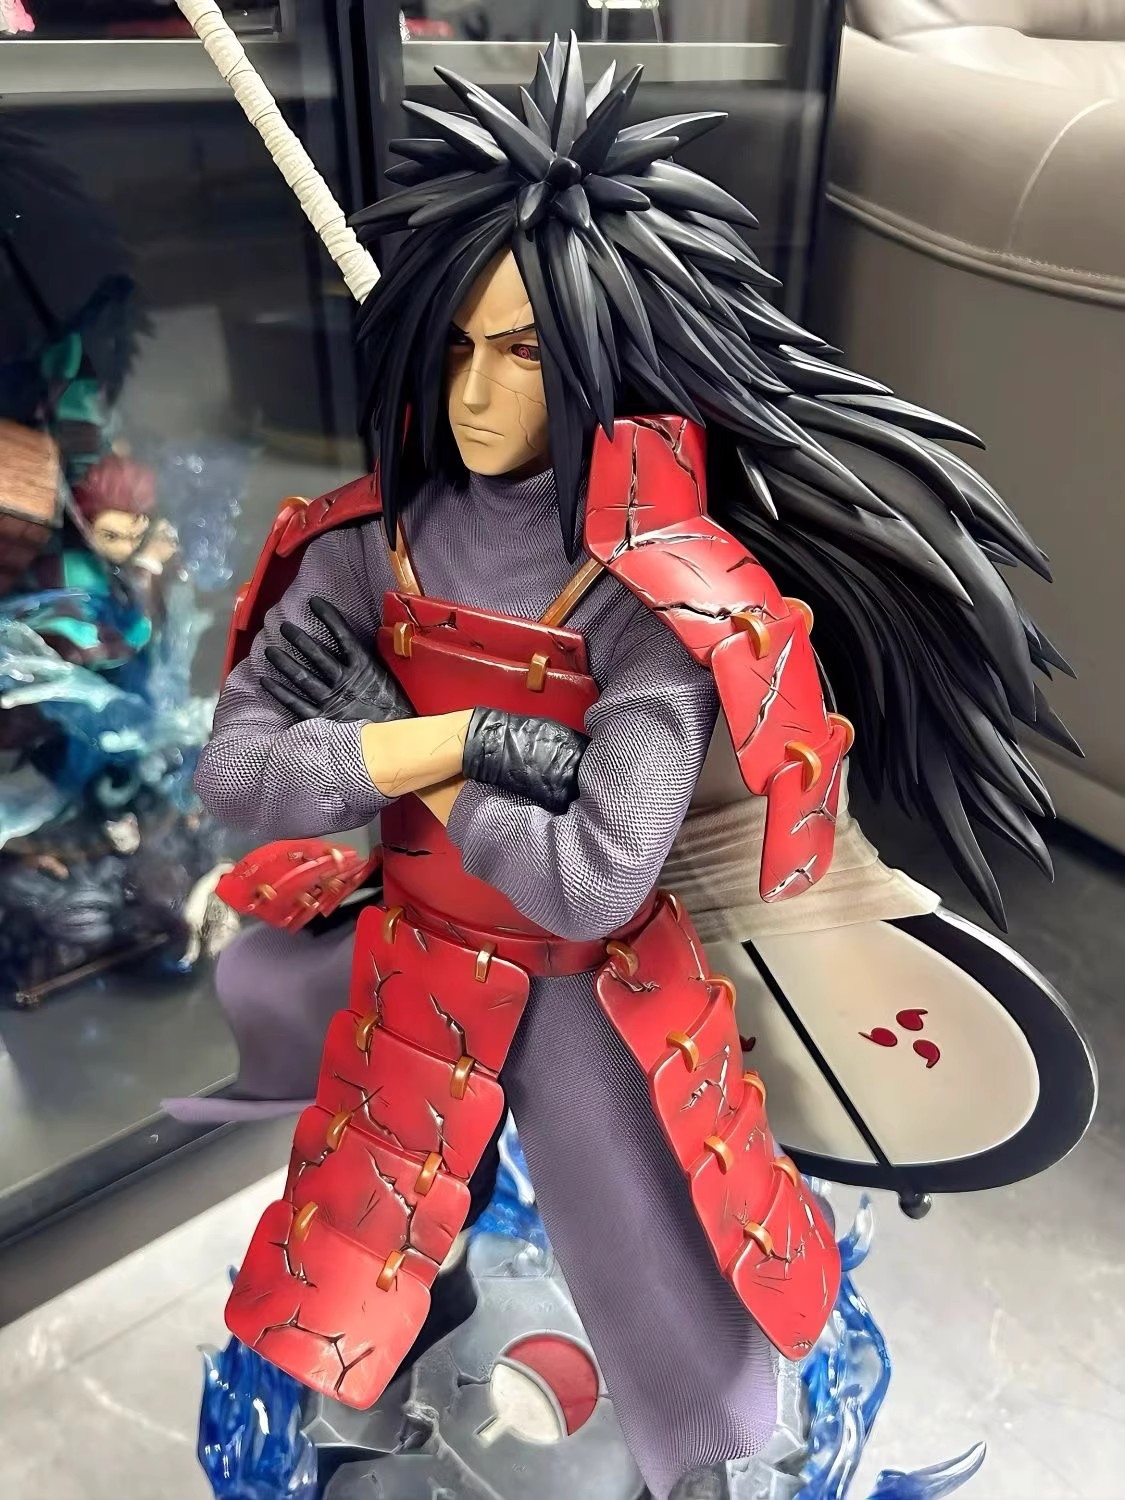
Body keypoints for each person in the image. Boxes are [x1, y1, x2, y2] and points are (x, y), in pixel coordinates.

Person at [190, 37, 1091, 1500]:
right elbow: (239, 775)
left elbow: (596, 880)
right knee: (349, 1283)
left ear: (599, 361)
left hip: (588, 998)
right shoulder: (363, 548)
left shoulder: (651, 594)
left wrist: (395, 762)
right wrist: (457, 740)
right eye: (456, 347)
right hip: (417, 965)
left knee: (677, 1317)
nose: (477, 394)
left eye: (522, 352)